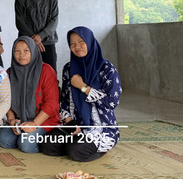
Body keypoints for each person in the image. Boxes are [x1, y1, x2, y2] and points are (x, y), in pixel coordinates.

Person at [39, 27, 122, 162]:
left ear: (90, 42)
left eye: (81, 41)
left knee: (76, 151)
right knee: (47, 145)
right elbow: (64, 100)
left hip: (100, 126)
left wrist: (84, 87)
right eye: (72, 43)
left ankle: (93, 147)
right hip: (76, 124)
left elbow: (111, 102)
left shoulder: (106, 69)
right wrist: (69, 121)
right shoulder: (68, 69)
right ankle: (76, 144)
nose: (77, 47)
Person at [0, 36, 59, 153]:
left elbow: (51, 103)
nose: (22, 55)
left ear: (33, 51)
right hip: (19, 120)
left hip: (43, 119)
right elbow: (5, 99)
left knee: (26, 145)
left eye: (26, 50)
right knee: (4, 141)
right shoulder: (9, 73)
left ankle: (45, 142)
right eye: (17, 51)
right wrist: (11, 120)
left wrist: (35, 124)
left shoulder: (46, 70)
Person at [14, 0, 59, 71]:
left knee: (51, 73)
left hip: (48, 42)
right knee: (29, 73)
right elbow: (20, 22)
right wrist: (34, 39)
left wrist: (41, 36)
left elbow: (54, 20)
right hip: (27, 43)